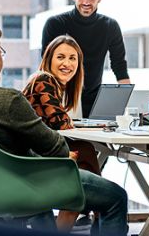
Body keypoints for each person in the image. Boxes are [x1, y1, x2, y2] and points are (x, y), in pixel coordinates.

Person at [0, 22, 128, 236]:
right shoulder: (7, 100)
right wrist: (64, 153)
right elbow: (55, 147)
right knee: (116, 197)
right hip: (22, 185)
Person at [23, 35, 101, 231]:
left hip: (33, 152)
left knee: (81, 170)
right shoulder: (43, 79)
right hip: (31, 156)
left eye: (73, 58)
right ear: (49, 59)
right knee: (85, 151)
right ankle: (101, 212)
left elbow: (57, 121)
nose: (67, 63)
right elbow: (59, 122)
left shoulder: (51, 83)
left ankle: (95, 213)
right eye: (61, 57)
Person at [41, 0, 130, 118]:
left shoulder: (110, 26)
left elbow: (119, 65)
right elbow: (46, 64)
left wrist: (127, 103)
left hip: (94, 99)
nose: (86, 2)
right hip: (62, 96)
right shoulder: (55, 23)